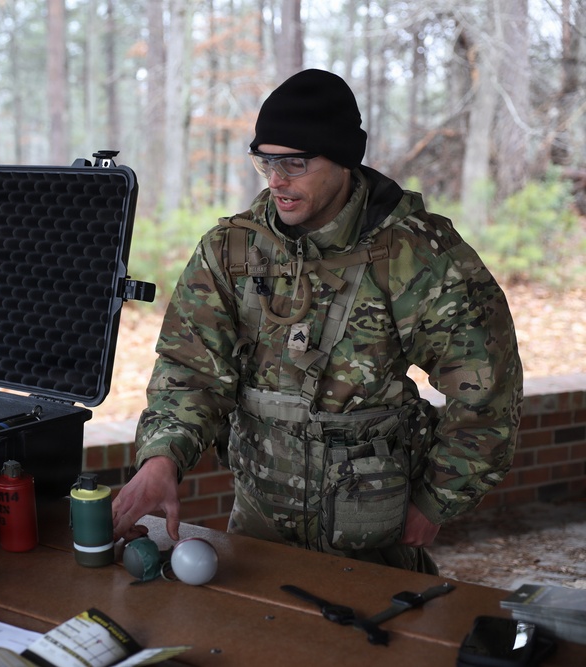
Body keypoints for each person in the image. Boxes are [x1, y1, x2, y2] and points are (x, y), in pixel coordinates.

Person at [111, 69, 523, 572]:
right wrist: (161, 459)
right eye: (265, 162)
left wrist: (437, 500)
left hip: (374, 536)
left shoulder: (416, 255)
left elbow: (488, 389)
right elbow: (189, 371)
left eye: (295, 163)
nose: (276, 180)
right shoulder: (231, 251)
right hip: (258, 530)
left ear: (344, 160)